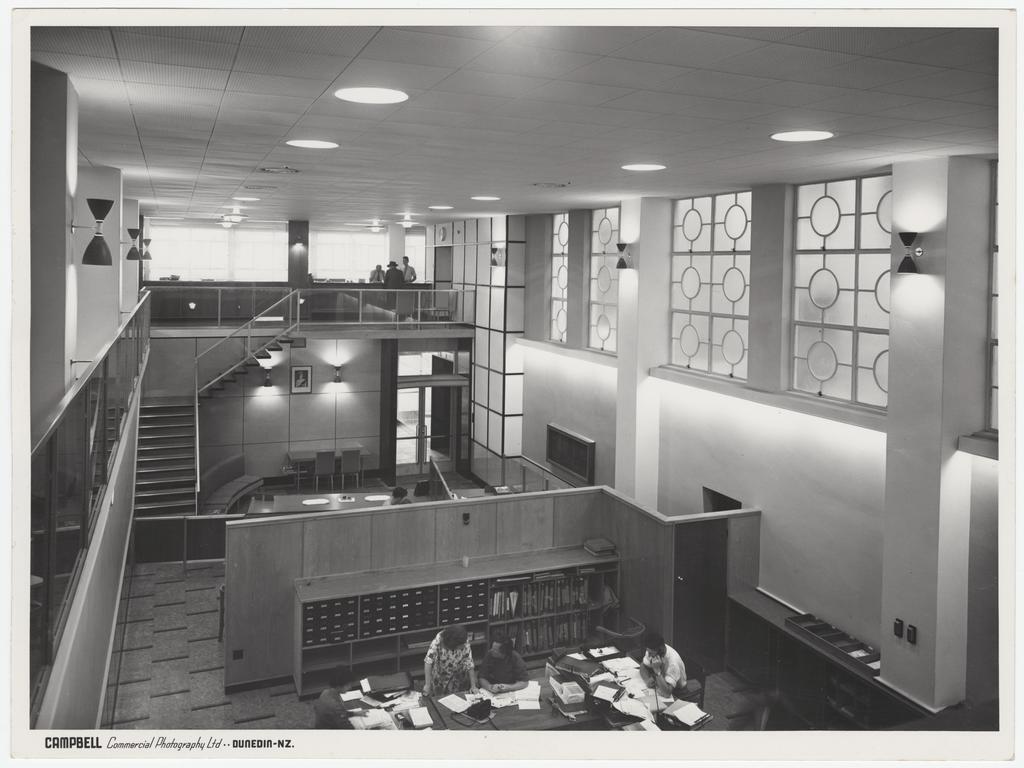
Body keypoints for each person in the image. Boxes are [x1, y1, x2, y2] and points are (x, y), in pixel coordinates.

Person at [422, 624, 478, 697]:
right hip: (440, 676)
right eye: (460, 646)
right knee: (439, 700)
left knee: (457, 700)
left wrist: (473, 686)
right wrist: (427, 685)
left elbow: (469, 663)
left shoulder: (464, 641)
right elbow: (428, 661)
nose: (463, 646)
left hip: (458, 675)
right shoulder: (439, 639)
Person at [640, 631, 687, 697]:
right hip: (661, 684)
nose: (649, 655)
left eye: (651, 653)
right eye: (648, 651)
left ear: (661, 649)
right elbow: (643, 666)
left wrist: (657, 671)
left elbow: (667, 693)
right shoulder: (652, 650)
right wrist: (647, 680)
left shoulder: (673, 662)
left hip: (677, 692)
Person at [312, 664, 357, 728]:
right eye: (348, 685)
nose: (350, 688)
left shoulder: (325, 692)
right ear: (339, 686)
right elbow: (347, 728)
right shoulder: (335, 706)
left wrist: (355, 714)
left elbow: (339, 713)